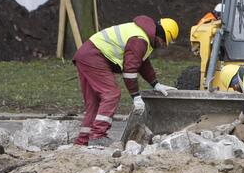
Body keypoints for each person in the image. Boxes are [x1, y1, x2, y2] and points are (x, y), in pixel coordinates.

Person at [72, 16, 179, 146]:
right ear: (161, 34)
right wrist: (135, 97)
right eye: (164, 42)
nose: (163, 46)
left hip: (86, 55)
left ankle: (82, 141)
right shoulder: (139, 40)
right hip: (94, 56)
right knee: (111, 94)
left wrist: (155, 84)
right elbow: (130, 72)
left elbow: (142, 63)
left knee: (94, 103)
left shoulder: (141, 34)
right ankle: (98, 136)